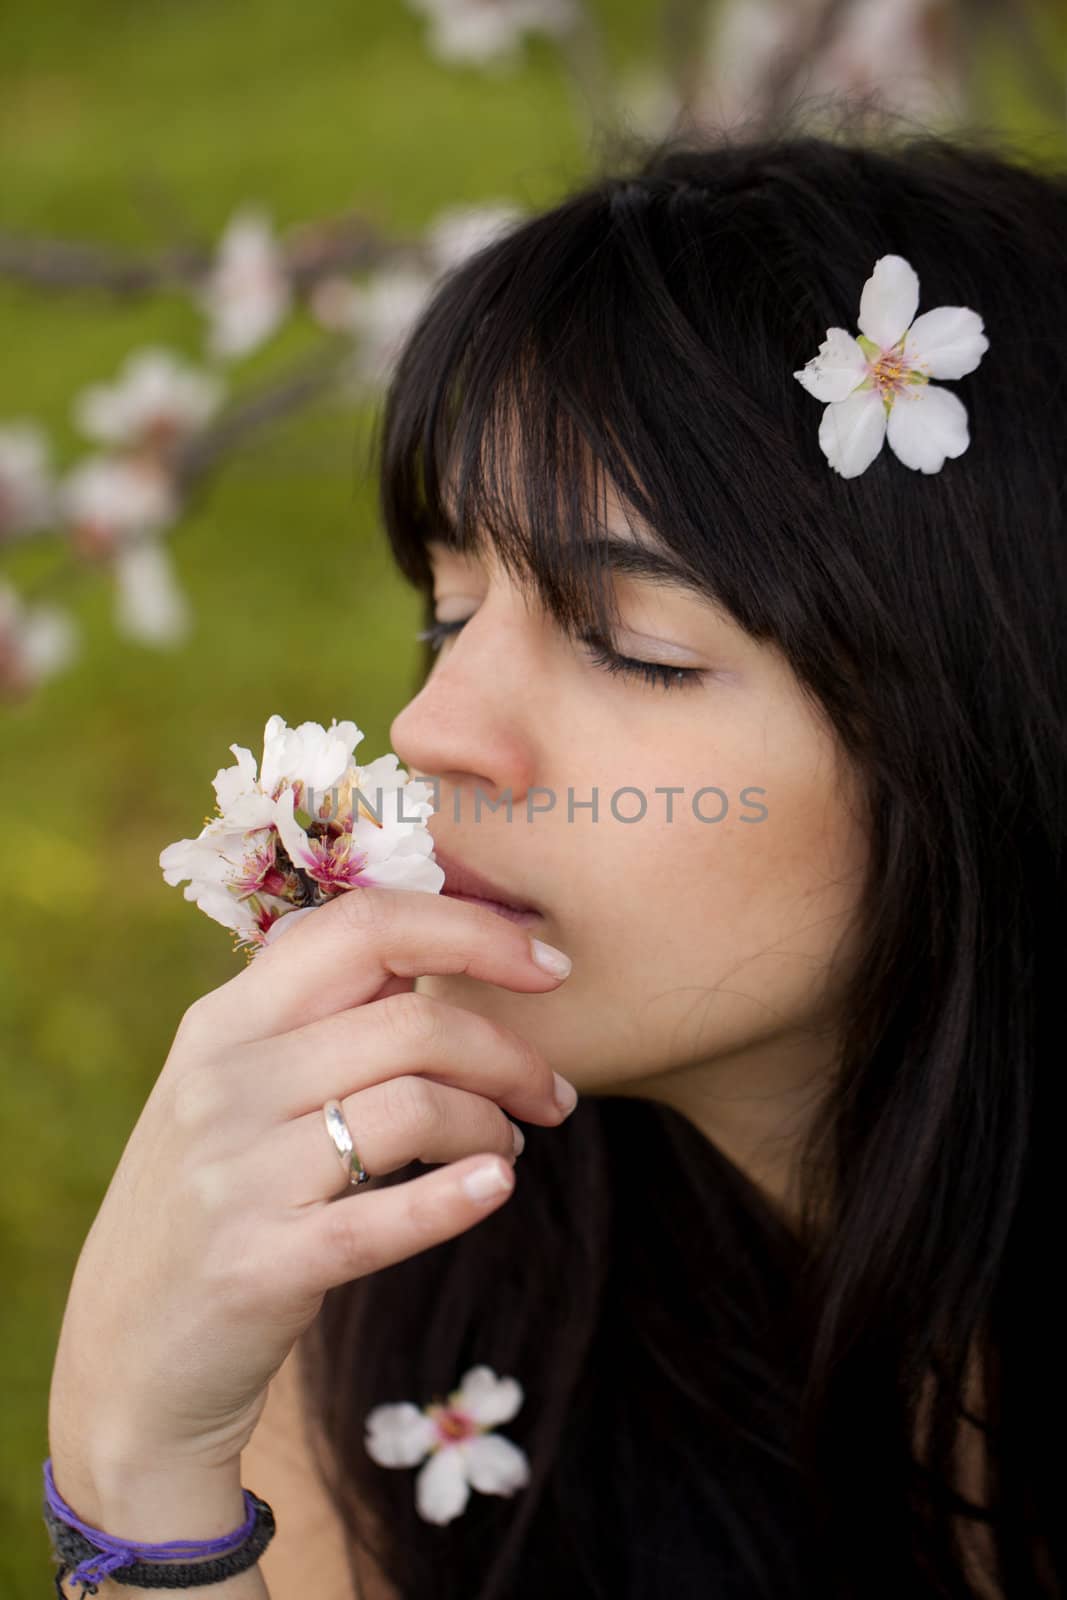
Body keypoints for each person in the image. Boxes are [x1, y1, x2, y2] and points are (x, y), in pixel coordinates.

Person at [46, 118, 1066, 1600]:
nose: (431, 725)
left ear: (994, 718)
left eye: (631, 647)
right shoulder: (412, 1307)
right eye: (451, 614)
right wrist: (141, 1459)